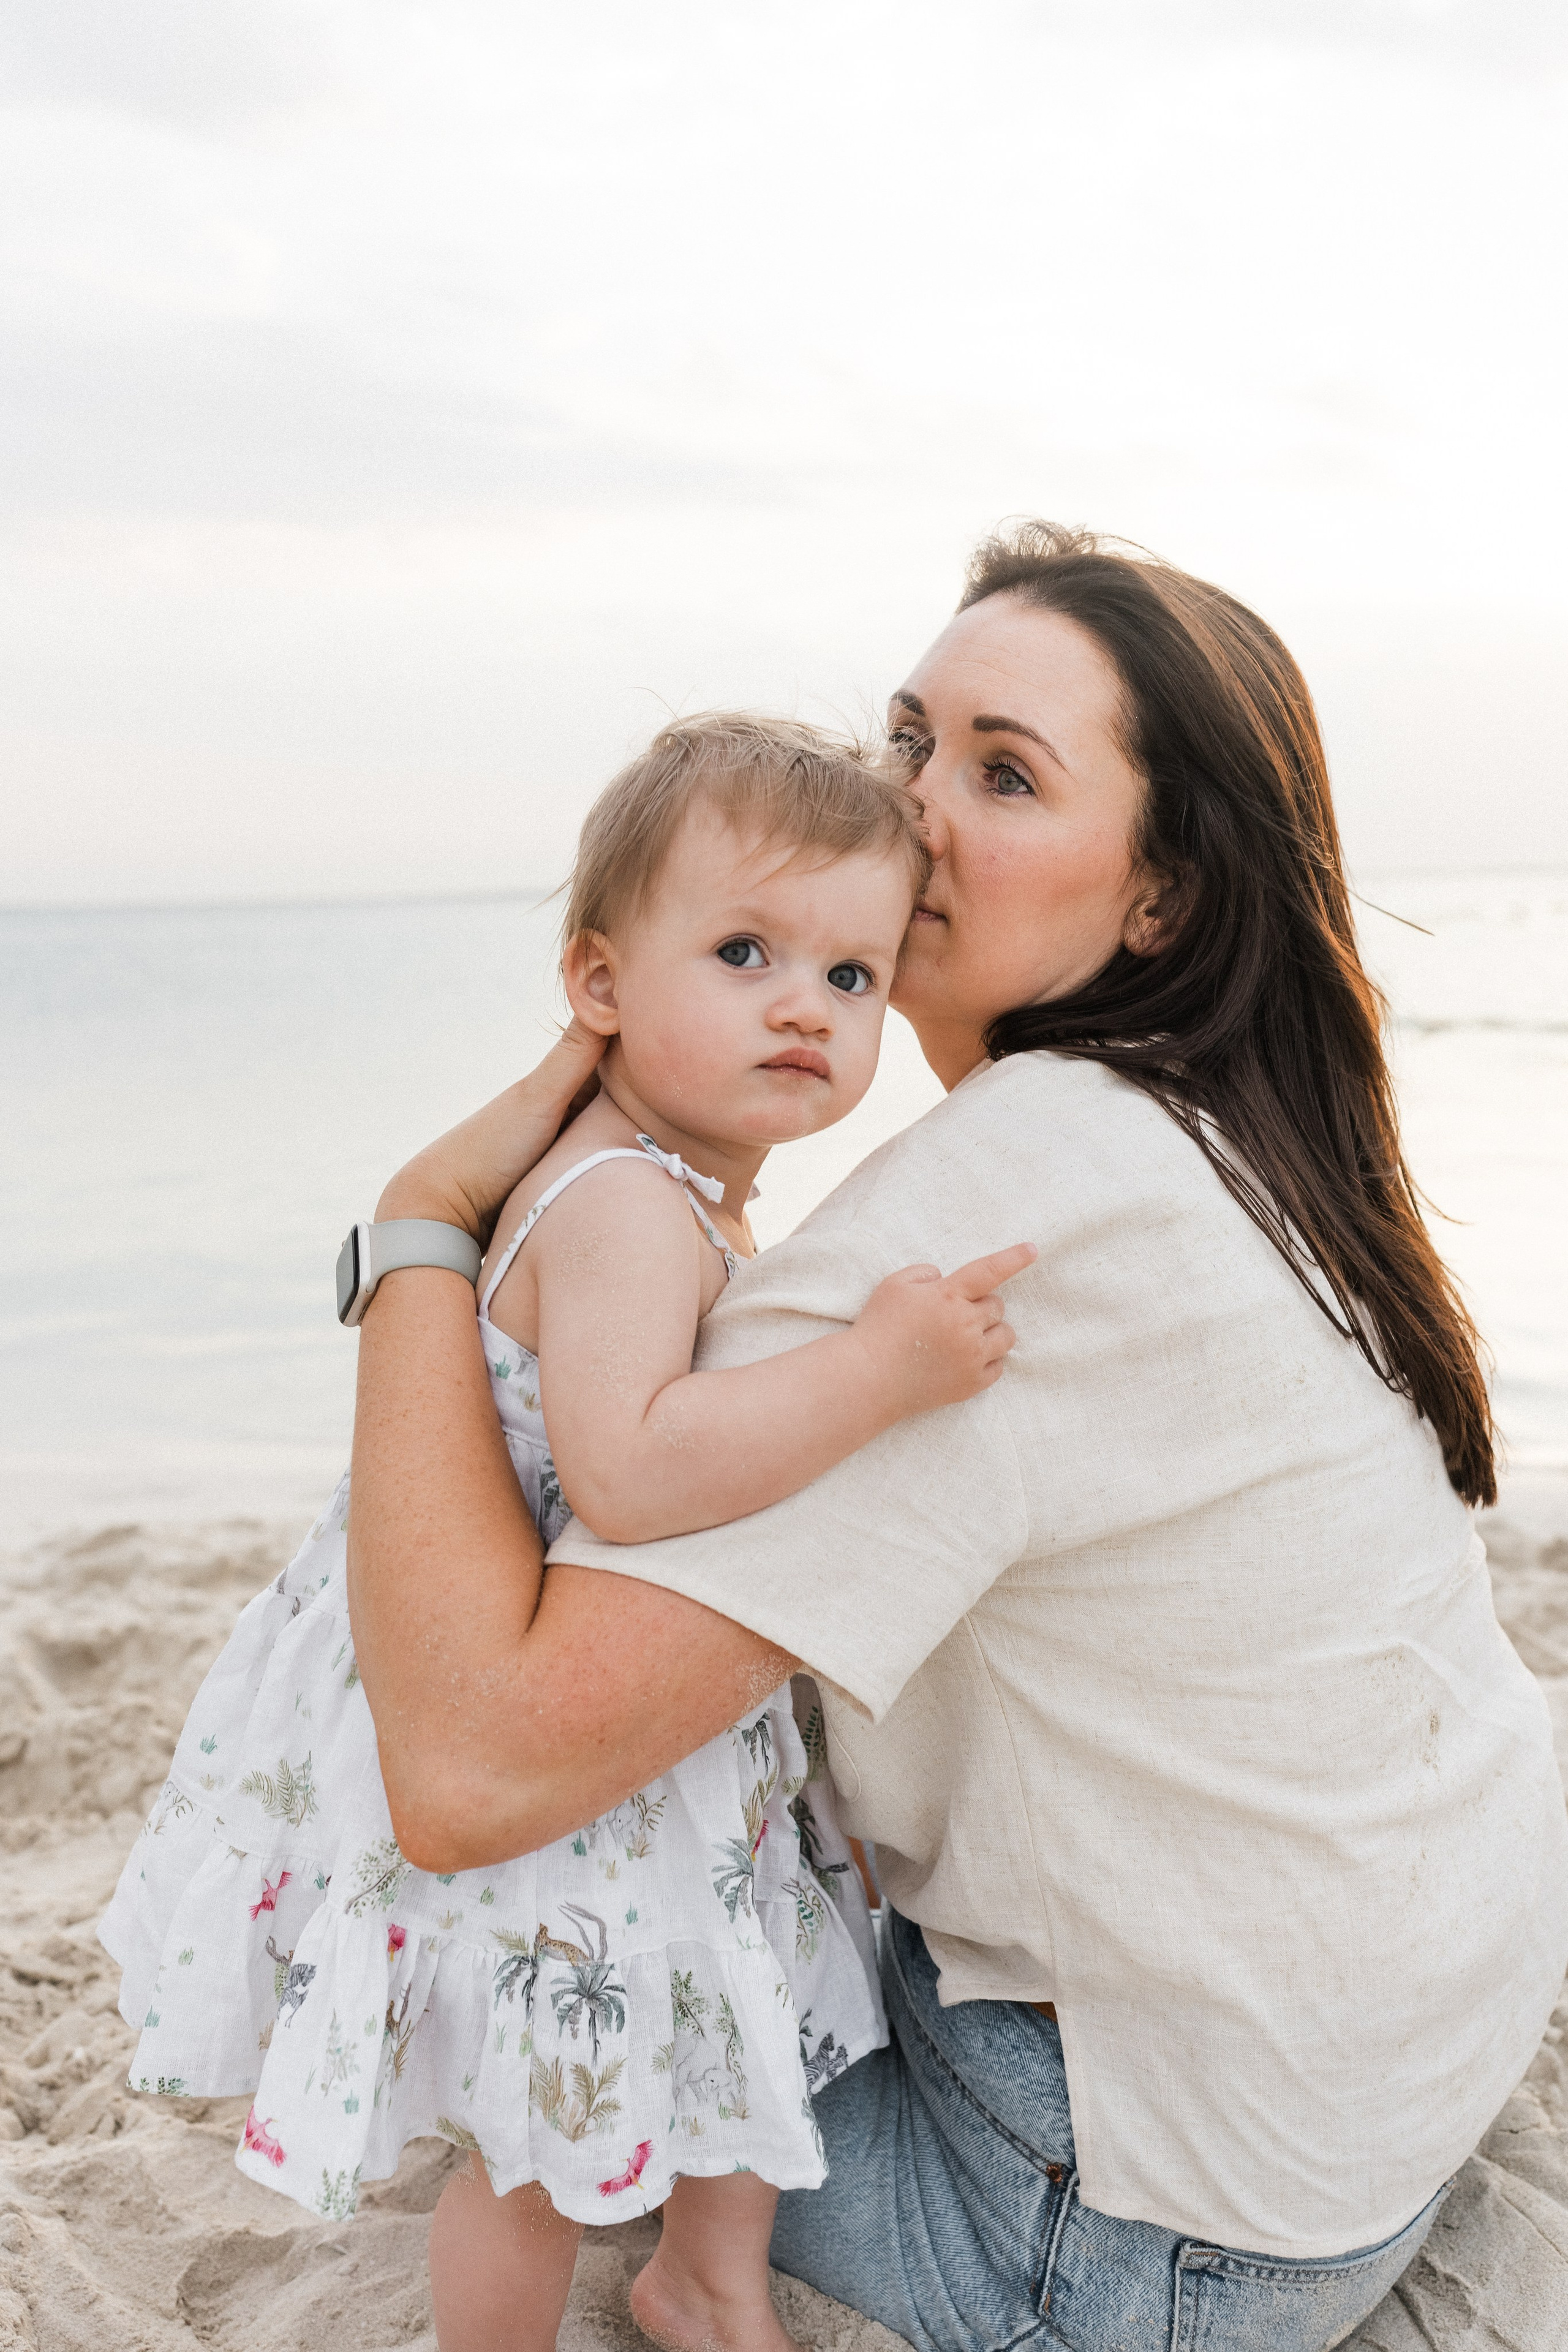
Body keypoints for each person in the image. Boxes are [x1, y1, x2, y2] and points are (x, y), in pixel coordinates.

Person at [347, 526, 1568, 2352]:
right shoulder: (1226, 1139)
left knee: (510, 1998)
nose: (911, 811)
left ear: (1159, 901)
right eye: (907, 739)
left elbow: (468, 1775)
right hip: (1373, 2090)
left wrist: (415, 1235)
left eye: (1001, 775)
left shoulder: (1001, 1225)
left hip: (1144, 2236)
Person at [99, 714, 1035, 2352]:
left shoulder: (683, 1189)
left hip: (622, 1715)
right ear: (598, 984)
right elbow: (632, 1468)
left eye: (852, 977)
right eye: (744, 951)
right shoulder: (620, 1208)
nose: (803, 1007)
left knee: (736, 1987)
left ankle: (707, 2276)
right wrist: (877, 1372)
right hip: (537, 1718)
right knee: (534, 2138)